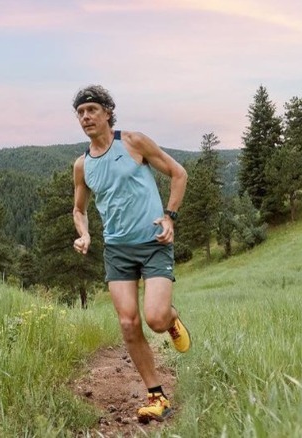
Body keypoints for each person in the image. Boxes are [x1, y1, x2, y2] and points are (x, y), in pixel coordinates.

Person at [71, 85, 191, 422]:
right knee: (127, 323)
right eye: (80, 113)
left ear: (108, 112)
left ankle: (170, 317)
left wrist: (171, 217)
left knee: (154, 318)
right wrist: (85, 234)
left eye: (92, 110)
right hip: (117, 250)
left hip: (154, 243)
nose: (85, 117)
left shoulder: (134, 142)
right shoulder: (82, 165)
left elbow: (178, 173)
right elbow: (78, 209)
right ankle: (157, 396)